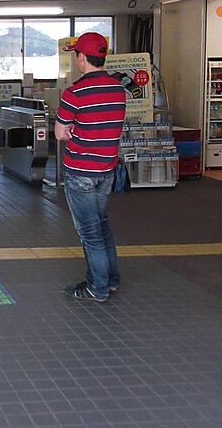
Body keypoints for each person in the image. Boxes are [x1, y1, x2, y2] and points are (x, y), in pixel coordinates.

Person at [55, 32, 127, 302]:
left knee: (89, 232)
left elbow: (60, 133)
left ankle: (97, 287)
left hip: (80, 171)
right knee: (101, 224)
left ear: (82, 58)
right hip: (106, 170)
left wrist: (75, 130)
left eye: (76, 54)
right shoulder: (118, 89)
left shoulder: (75, 93)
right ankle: (112, 279)